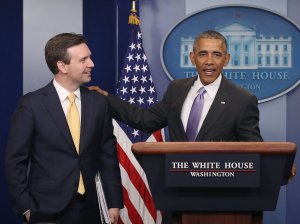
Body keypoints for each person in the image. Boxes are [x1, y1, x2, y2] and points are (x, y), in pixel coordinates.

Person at [5, 33, 123, 223]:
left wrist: (114, 202)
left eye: (89, 57)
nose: (91, 64)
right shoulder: (31, 105)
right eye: (84, 59)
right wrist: (26, 208)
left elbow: (107, 156)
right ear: (62, 66)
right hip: (46, 210)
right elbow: (15, 161)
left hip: (91, 209)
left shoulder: (99, 103)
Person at [91, 30, 263, 142]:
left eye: (216, 55)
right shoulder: (177, 89)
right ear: (192, 58)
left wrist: (282, 167)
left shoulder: (242, 100)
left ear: (226, 60)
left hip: (219, 189)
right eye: (203, 54)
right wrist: (106, 100)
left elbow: (255, 149)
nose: (209, 61)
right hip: (177, 185)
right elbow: (145, 120)